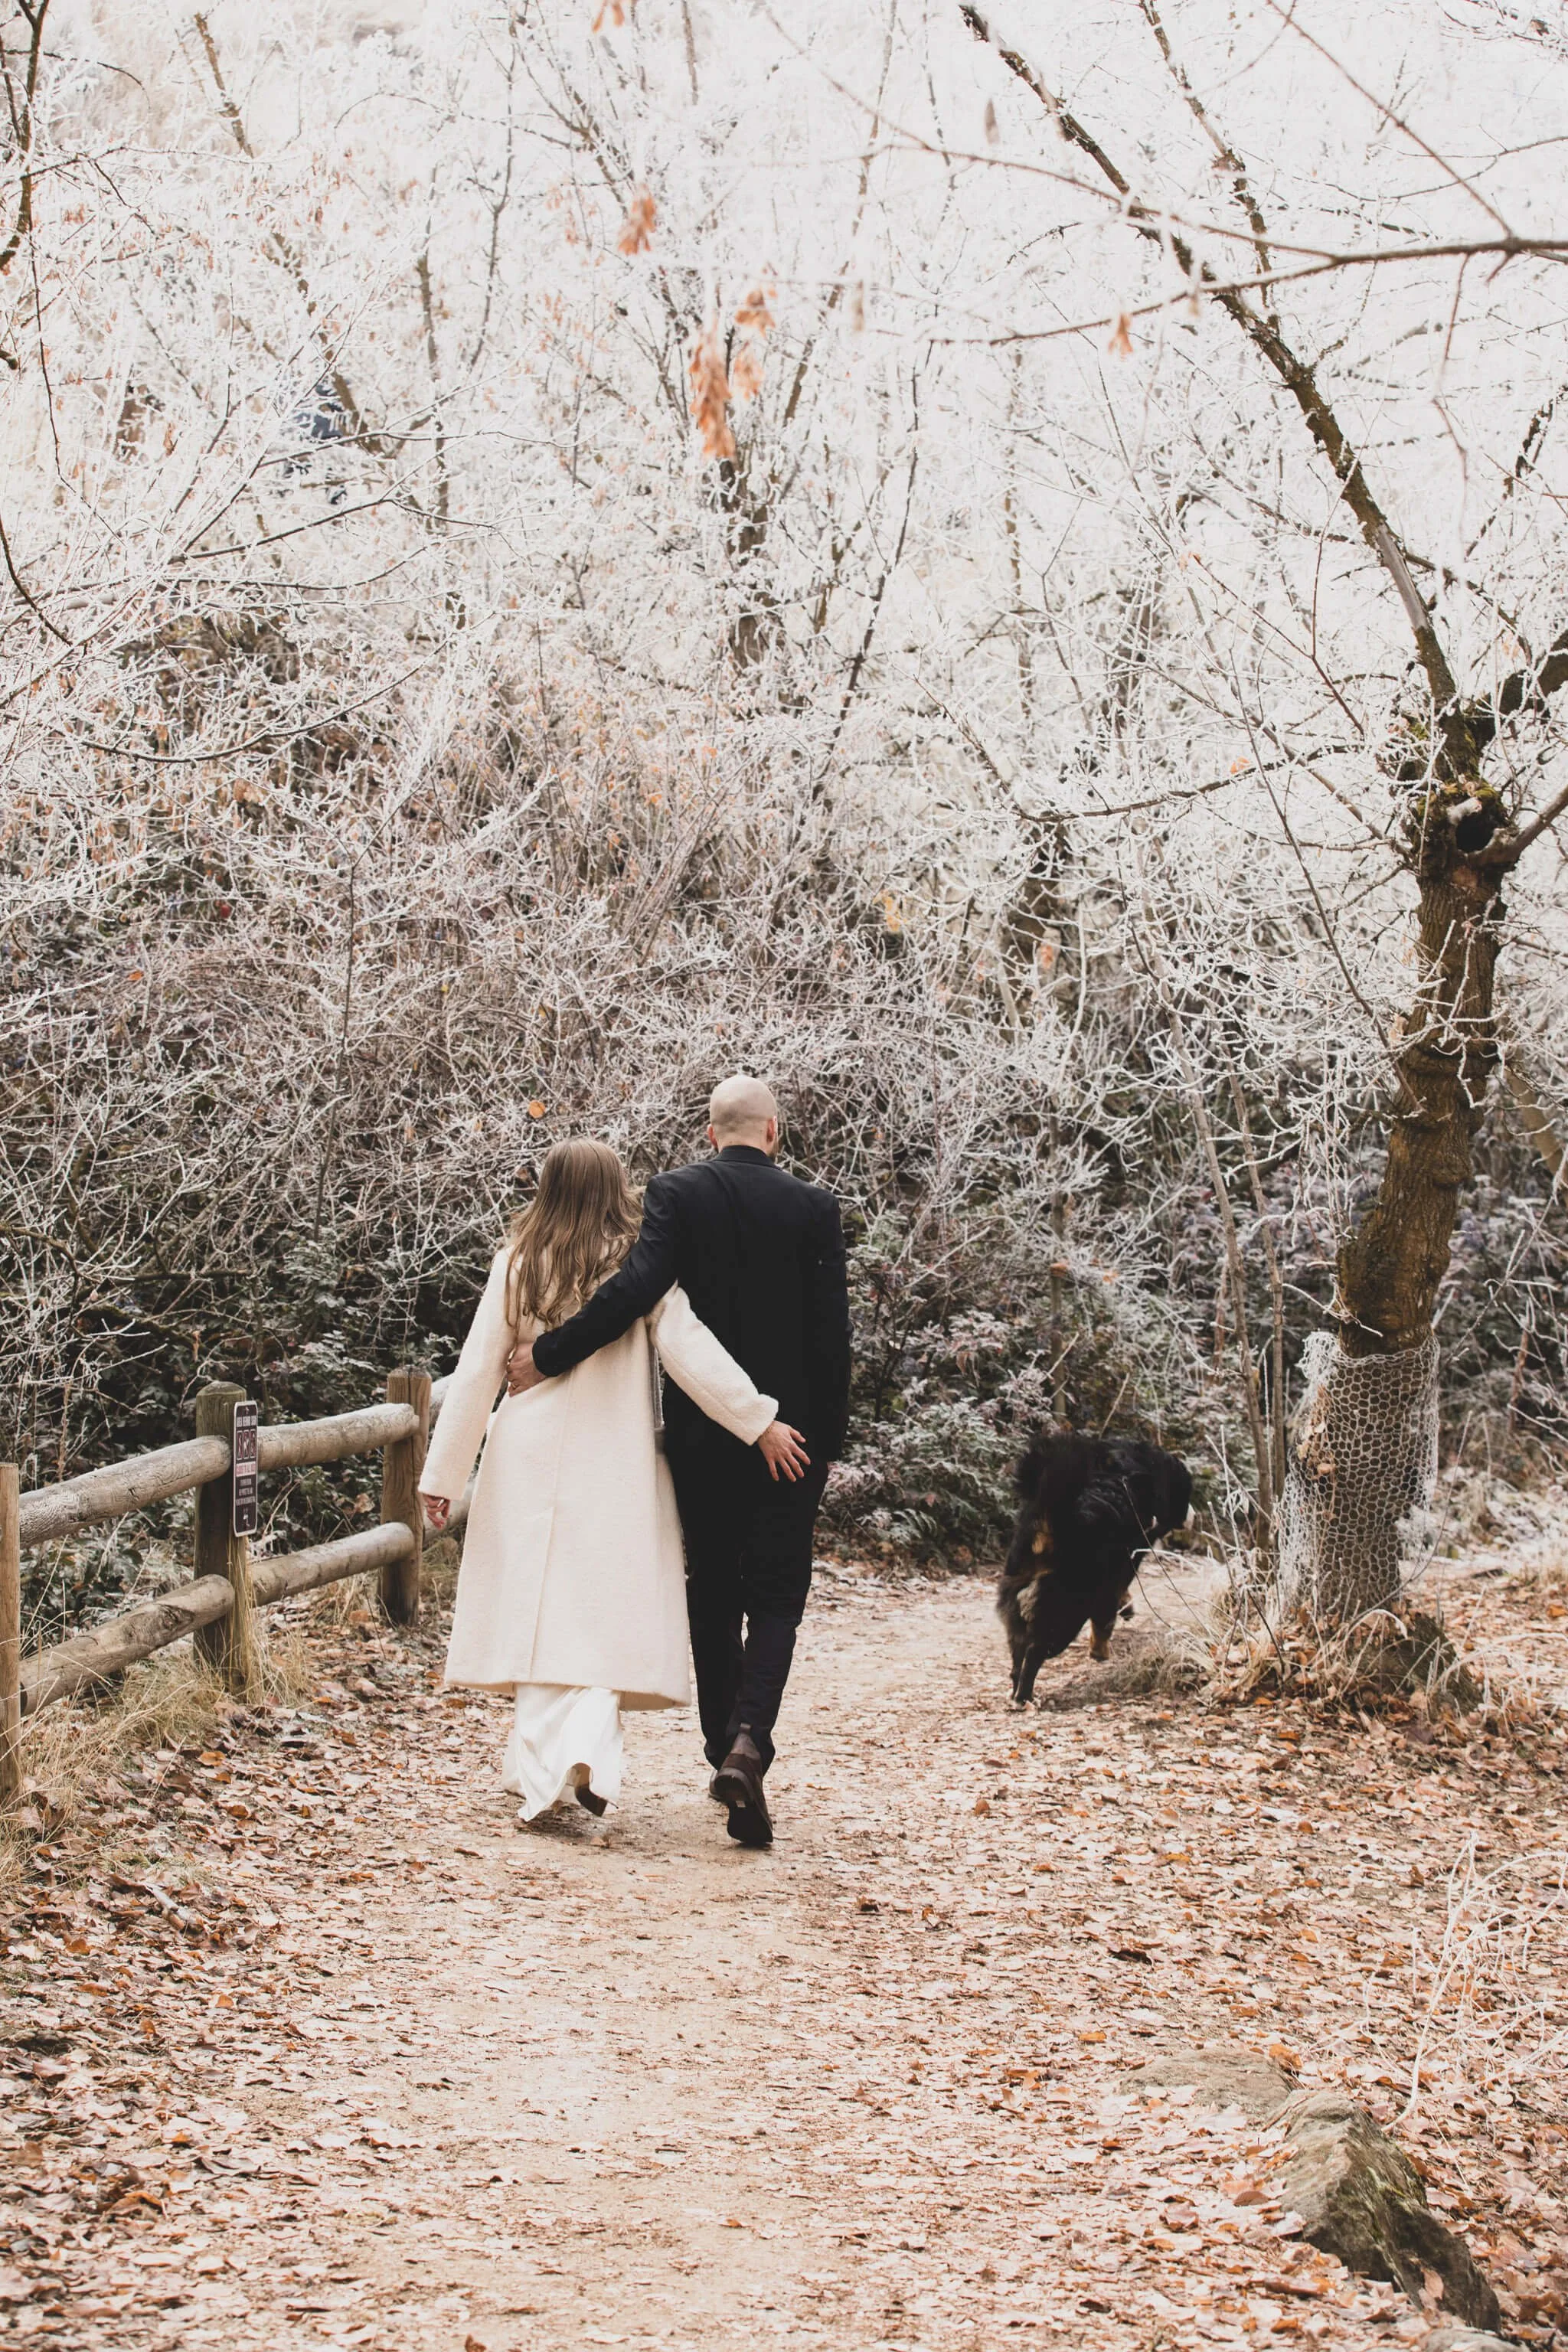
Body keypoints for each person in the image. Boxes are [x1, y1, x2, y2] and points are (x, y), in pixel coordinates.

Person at [417, 1138, 808, 1826]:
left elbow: (479, 1370)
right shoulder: (643, 1268)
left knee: (538, 1615)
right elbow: (692, 1352)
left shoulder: (517, 1266)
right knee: (598, 1613)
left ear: (548, 1189)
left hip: (526, 1458)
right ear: (617, 1190)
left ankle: (543, 1777)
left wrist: (444, 1473)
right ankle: (589, 1751)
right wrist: (759, 1421)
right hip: (615, 1462)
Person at [505, 1076, 851, 1849]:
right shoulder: (813, 1208)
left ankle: (716, 1743)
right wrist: (824, 1443)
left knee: (713, 1590)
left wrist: (549, 1355)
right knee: (776, 1599)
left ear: (708, 1133)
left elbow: (633, 1294)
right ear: (773, 1133)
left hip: (701, 1440)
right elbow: (832, 1337)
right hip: (787, 1437)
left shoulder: (675, 1193)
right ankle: (749, 1742)